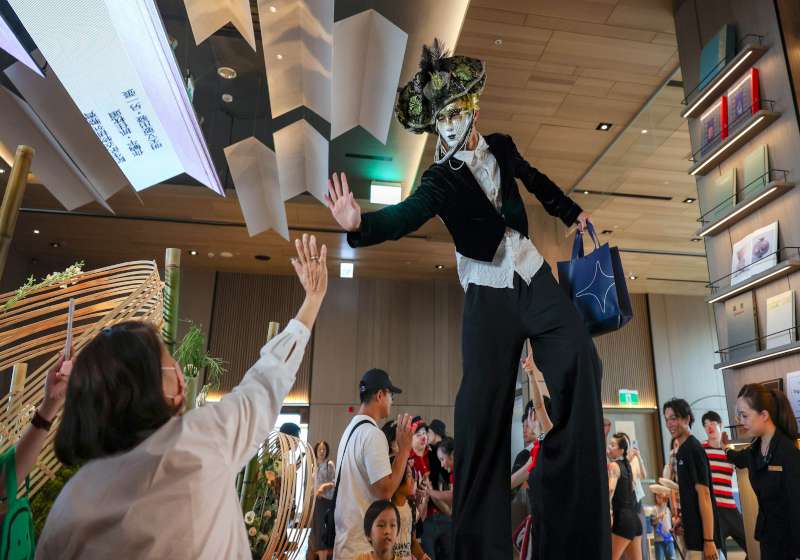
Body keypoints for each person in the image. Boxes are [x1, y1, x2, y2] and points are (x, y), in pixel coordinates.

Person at [324, 39, 607, 559]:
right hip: (487, 294)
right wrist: (361, 224)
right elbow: (406, 214)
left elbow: (535, 180)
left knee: (581, 358)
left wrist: (571, 212)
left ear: (473, 108)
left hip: (531, 275)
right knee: (480, 414)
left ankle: (567, 507)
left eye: (456, 112)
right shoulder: (439, 179)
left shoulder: (501, 145)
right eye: (441, 119)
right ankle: (481, 549)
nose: (450, 125)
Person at [36, 234, 328, 559]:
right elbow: (265, 382)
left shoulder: (70, 506)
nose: (178, 369)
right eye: (169, 362)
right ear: (171, 388)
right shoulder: (197, 444)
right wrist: (312, 300)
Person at [333, 369, 413, 560]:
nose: (392, 401)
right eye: (391, 395)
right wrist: (404, 450)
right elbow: (385, 491)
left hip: (345, 543)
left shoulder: (351, 430)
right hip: (362, 547)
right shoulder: (372, 434)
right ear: (380, 395)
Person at [726, 383, 800, 559]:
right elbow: (739, 459)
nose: (741, 421)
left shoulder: (787, 452)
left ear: (764, 415)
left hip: (790, 543)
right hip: (767, 537)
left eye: (745, 415)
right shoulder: (755, 450)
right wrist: (725, 449)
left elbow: (797, 506)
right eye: (739, 416)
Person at [662, 398, 725, 560]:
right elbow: (691, 496)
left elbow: (704, 495)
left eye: (673, 418)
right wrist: (684, 520)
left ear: (686, 419)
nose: (669, 424)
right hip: (693, 537)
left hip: (702, 541)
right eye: (666, 419)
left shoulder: (693, 449)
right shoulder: (682, 450)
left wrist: (709, 540)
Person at [701, 411, 747, 554]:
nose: (709, 427)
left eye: (712, 423)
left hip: (730, 507)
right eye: (705, 425)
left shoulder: (729, 450)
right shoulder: (701, 449)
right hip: (713, 510)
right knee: (718, 553)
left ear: (720, 425)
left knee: (752, 545)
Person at [607, 433, 643, 560]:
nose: (609, 447)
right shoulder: (628, 467)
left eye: (612, 445)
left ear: (621, 450)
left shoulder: (614, 466)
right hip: (635, 520)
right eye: (609, 444)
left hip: (623, 521)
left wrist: (608, 512)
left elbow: (610, 490)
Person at [392, 463, 431, 560]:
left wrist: (424, 557)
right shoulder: (387, 509)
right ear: (397, 477)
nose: (413, 481)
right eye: (409, 475)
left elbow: (412, 541)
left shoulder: (411, 507)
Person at [310, 441, 335, 560]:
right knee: (316, 530)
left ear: (327, 451)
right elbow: (312, 484)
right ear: (316, 451)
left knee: (323, 531)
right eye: (319, 449)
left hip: (326, 501)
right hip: (315, 501)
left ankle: (324, 557)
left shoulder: (329, 464)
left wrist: (324, 487)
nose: (321, 451)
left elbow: (334, 481)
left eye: (324, 449)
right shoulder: (314, 465)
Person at [650, 485, 676, 560]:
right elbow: (652, 522)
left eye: (662, 495)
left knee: (672, 558)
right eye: (658, 496)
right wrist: (658, 518)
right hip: (659, 540)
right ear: (656, 497)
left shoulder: (667, 509)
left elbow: (672, 519)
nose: (660, 497)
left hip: (669, 539)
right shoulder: (654, 509)